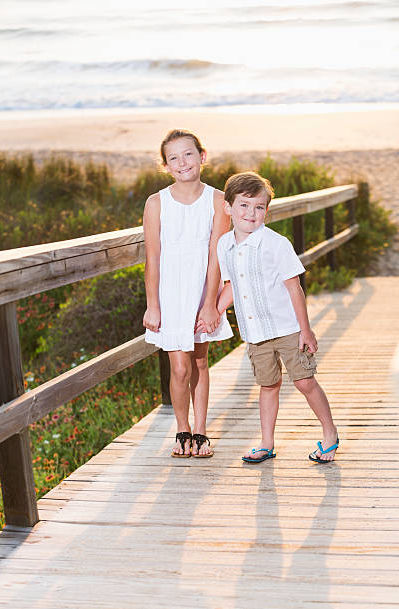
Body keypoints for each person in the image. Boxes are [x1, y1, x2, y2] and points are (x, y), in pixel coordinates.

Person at [203, 171, 338, 463]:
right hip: (255, 332)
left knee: (304, 381)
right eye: (244, 205)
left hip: (287, 327)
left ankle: (330, 433)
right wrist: (214, 310)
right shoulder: (224, 245)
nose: (251, 213)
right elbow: (231, 287)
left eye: (259, 207)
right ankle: (266, 443)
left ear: (267, 209)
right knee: (268, 385)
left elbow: (295, 288)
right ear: (228, 207)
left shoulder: (276, 244)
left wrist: (306, 330)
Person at [143, 129, 233, 458]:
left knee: (199, 360)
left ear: (202, 156)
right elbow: (152, 258)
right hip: (170, 294)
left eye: (189, 154)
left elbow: (216, 258)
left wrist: (210, 305)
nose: (183, 162)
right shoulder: (156, 203)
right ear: (166, 165)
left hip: (202, 290)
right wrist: (153, 306)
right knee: (179, 368)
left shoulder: (216, 200)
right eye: (174, 158)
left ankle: (201, 431)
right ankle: (181, 429)